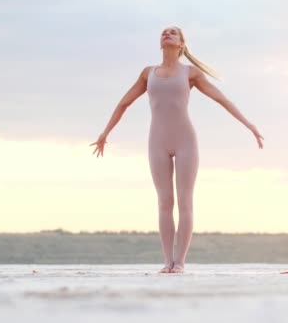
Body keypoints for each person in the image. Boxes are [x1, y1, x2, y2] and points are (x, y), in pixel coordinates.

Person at [90, 26, 264, 274]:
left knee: (184, 202)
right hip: (157, 142)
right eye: (164, 32)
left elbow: (222, 99)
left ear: (181, 43)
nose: (167, 34)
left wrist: (249, 124)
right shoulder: (147, 73)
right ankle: (167, 262)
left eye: (173, 32)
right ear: (160, 43)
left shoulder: (190, 73)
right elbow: (124, 103)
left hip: (186, 142)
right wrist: (105, 133)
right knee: (164, 202)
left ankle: (180, 262)